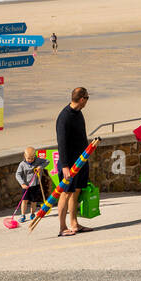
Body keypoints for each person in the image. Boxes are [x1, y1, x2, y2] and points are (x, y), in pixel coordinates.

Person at [55, 87, 91, 237]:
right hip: (68, 163)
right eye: (87, 98)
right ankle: (62, 227)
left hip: (81, 159)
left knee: (76, 192)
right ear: (82, 99)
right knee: (65, 193)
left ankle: (74, 224)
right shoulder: (64, 117)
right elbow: (61, 143)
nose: (87, 101)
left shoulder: (78, 112)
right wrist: (64, 166)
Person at [14, 147, 45, 221]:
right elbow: (17, 174)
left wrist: (40, 167)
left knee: (34, 201)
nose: (30, 160)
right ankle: (22, 215)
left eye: (32, 158)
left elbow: (47, 161)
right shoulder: (22, 164)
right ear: (24, 156)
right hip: (26, 186)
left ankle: (32, 214)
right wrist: (22, 184)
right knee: (24, 200)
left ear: (35, 156)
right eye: (28, 158)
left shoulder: (37, 160)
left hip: (35, 185)